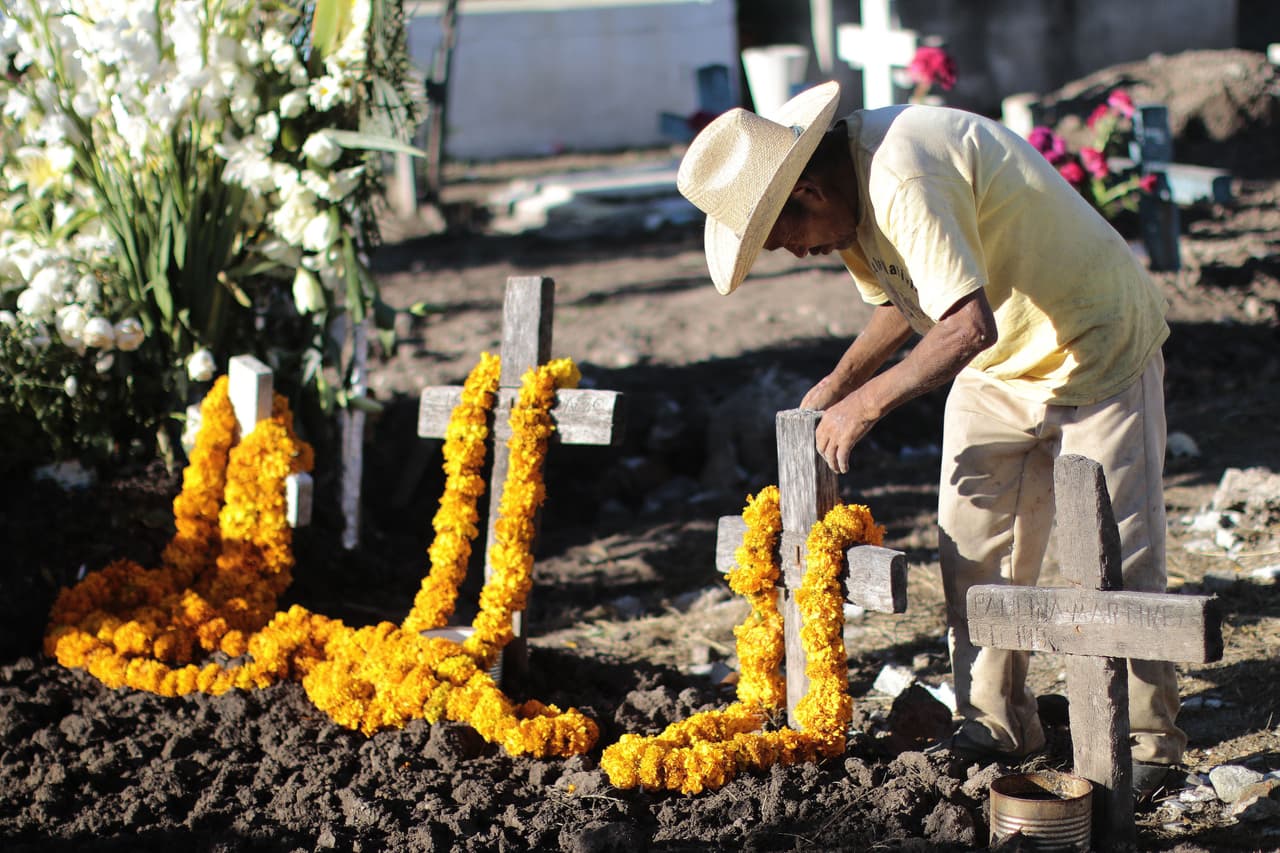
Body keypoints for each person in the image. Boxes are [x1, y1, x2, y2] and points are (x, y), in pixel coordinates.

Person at [675, 80, 1184, 796]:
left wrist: (867, 405)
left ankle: (1147, 742)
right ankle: (999, 724)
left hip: (1093, 339)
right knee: (971, 548)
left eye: (784, 238)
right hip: (998, 363)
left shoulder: (900, 176)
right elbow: (906, 301)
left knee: (1113, 555)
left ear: (809, 193)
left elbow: (966, 325)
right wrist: (840, 381)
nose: (796, 253)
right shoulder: (845, 196)